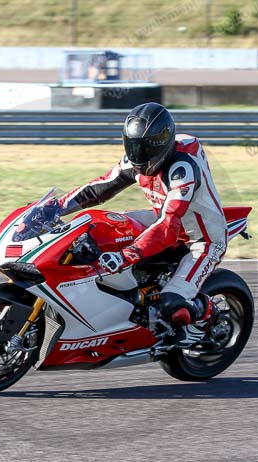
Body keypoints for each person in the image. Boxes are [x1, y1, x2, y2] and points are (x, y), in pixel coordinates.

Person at [50, 103, 228, 332]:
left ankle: (208, 311)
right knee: (100, 228)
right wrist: (54, 207)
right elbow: (97, 189)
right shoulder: (134, 161)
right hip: (160, 219)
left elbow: (168, 225)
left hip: (201, 239)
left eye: (145, 149)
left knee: (171, 305)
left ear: (162, 145)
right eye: (133, 146)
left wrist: (128, 254)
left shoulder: (182, 170)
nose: (138, 156)